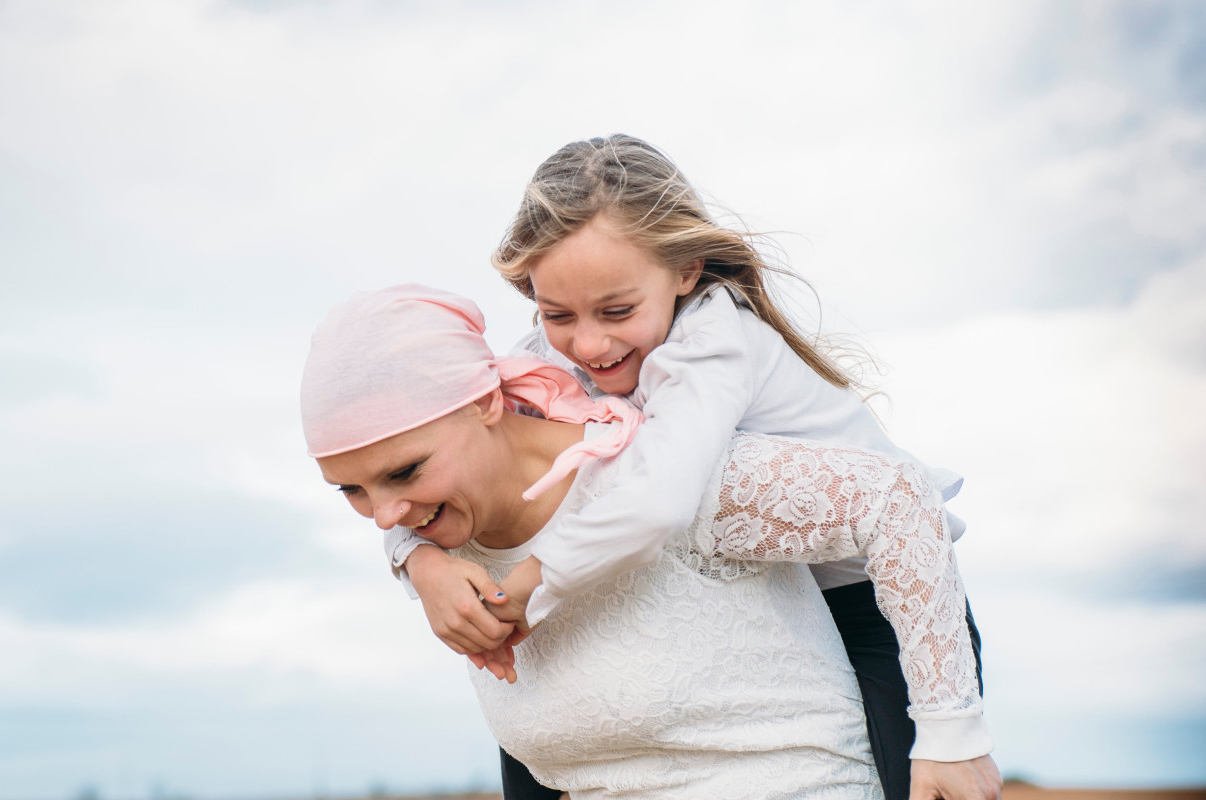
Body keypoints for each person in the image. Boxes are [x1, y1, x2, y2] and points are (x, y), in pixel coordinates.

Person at [379, 136, 993, 800]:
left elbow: (661, 497)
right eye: (556, 314)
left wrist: (526, 585)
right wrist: (419, 558)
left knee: (923, 779)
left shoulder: (714, 344)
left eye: (618, 311)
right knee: (535, 697)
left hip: (878, 600)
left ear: (685, 270)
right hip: (774, 599)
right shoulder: (548, 361)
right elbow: (445, 457)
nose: (588, 343)